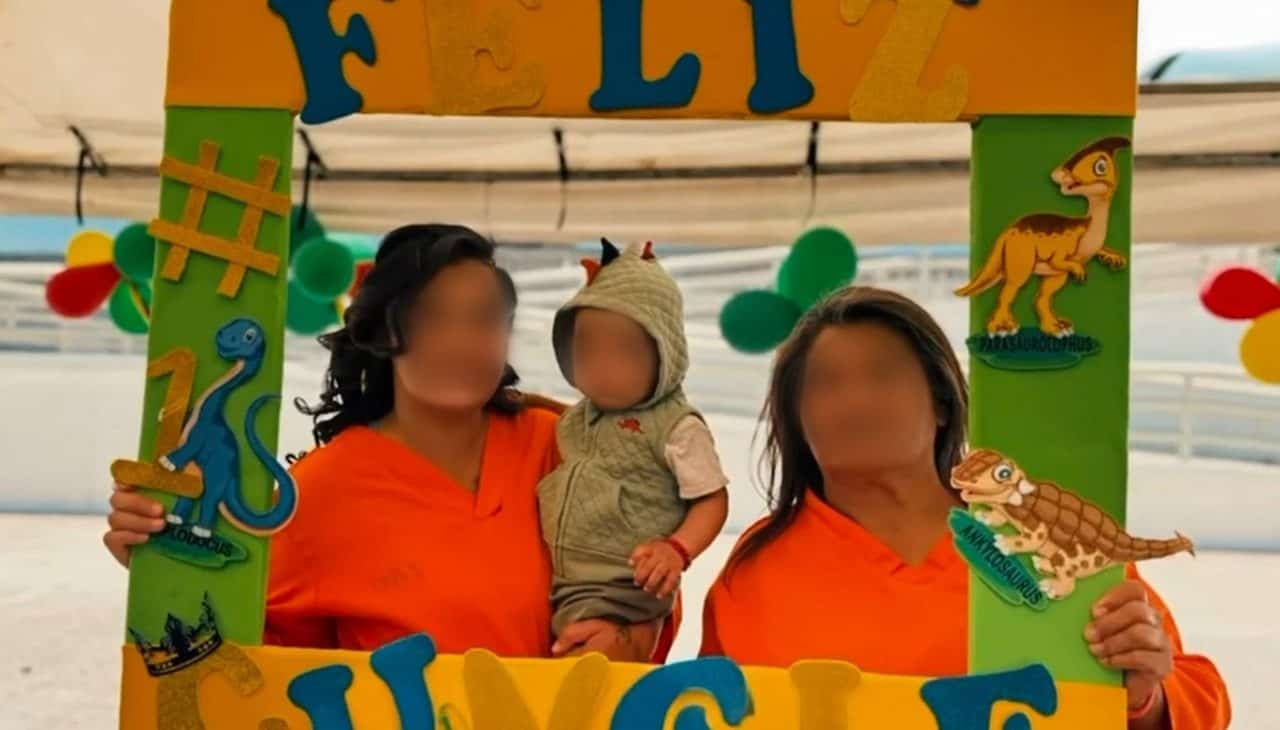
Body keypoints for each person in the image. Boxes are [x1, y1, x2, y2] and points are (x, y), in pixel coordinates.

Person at [103, 223, 666, 661]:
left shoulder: (567, 445)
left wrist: (630, 635)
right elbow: (255, 660)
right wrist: (173, 561)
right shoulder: (319, 492)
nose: (461, 342)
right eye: (433, 317)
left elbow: (649, 572)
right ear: (383, 331)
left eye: (485, 319)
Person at [700, 287, 1230, 730]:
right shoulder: (755, 569)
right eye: (826, 383)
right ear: (796, 419)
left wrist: (1144, 699)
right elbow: (706, 708)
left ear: (941, 402)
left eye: (883, 375)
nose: (856, 401)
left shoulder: (1045, 535)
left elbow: (1197, 701)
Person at [539, 238, 729, 641]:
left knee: (586, 655)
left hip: (625, 585)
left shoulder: (676, 427)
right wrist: (521, 400)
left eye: (622, 351)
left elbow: (712, 498)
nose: (602, 366)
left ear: (663, 354)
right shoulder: (585, 414)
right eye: (587, 349)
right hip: (570, 580)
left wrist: (677, 549)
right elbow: (559, 415)